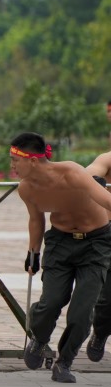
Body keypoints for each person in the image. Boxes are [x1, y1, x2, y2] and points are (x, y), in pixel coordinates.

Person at [10, 132, 111, 383]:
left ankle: (64, 362)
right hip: (60, 243)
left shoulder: (72, 173)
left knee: (81, 313)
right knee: (50, 303)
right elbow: (36, 219)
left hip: (96, 244)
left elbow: (105, 199)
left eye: (15, 160)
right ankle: (39, 338)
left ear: (33, 160)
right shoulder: (26, 189)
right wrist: (33, 252)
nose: (11, 165)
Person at [84, 152, 111, 363]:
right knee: (106, 301)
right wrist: (93, 181)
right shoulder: (107, 159)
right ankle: (101, 332)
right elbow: (89, 174)